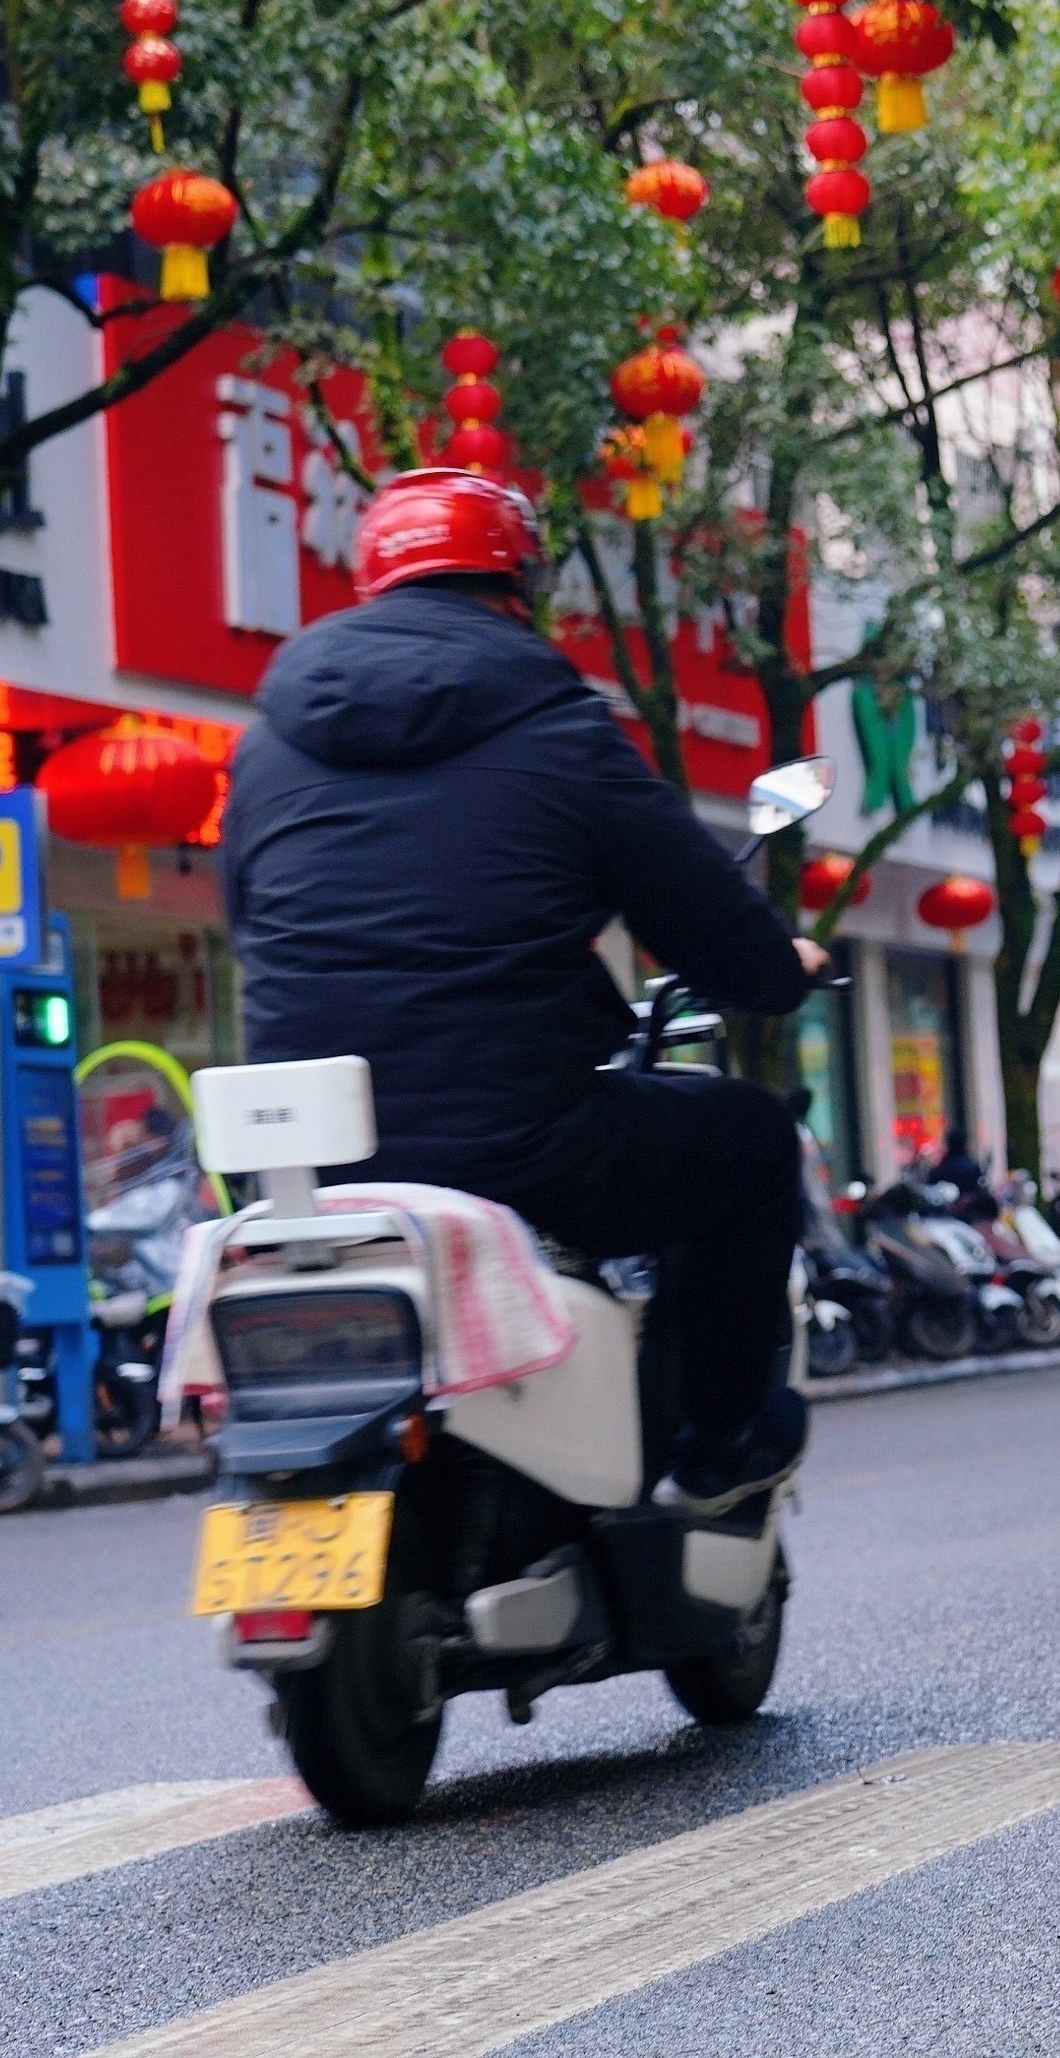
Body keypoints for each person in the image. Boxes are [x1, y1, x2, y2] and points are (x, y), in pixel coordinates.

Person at [221, 467, 826, 1510]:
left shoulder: (266, 741)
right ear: (519, 591)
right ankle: (722, 1442)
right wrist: (780, 968)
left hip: (297, 1169)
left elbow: (248, 921)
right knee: (755, 1145)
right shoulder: (558, 724)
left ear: (372, 586)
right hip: (518, 1147)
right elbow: (705, 921)